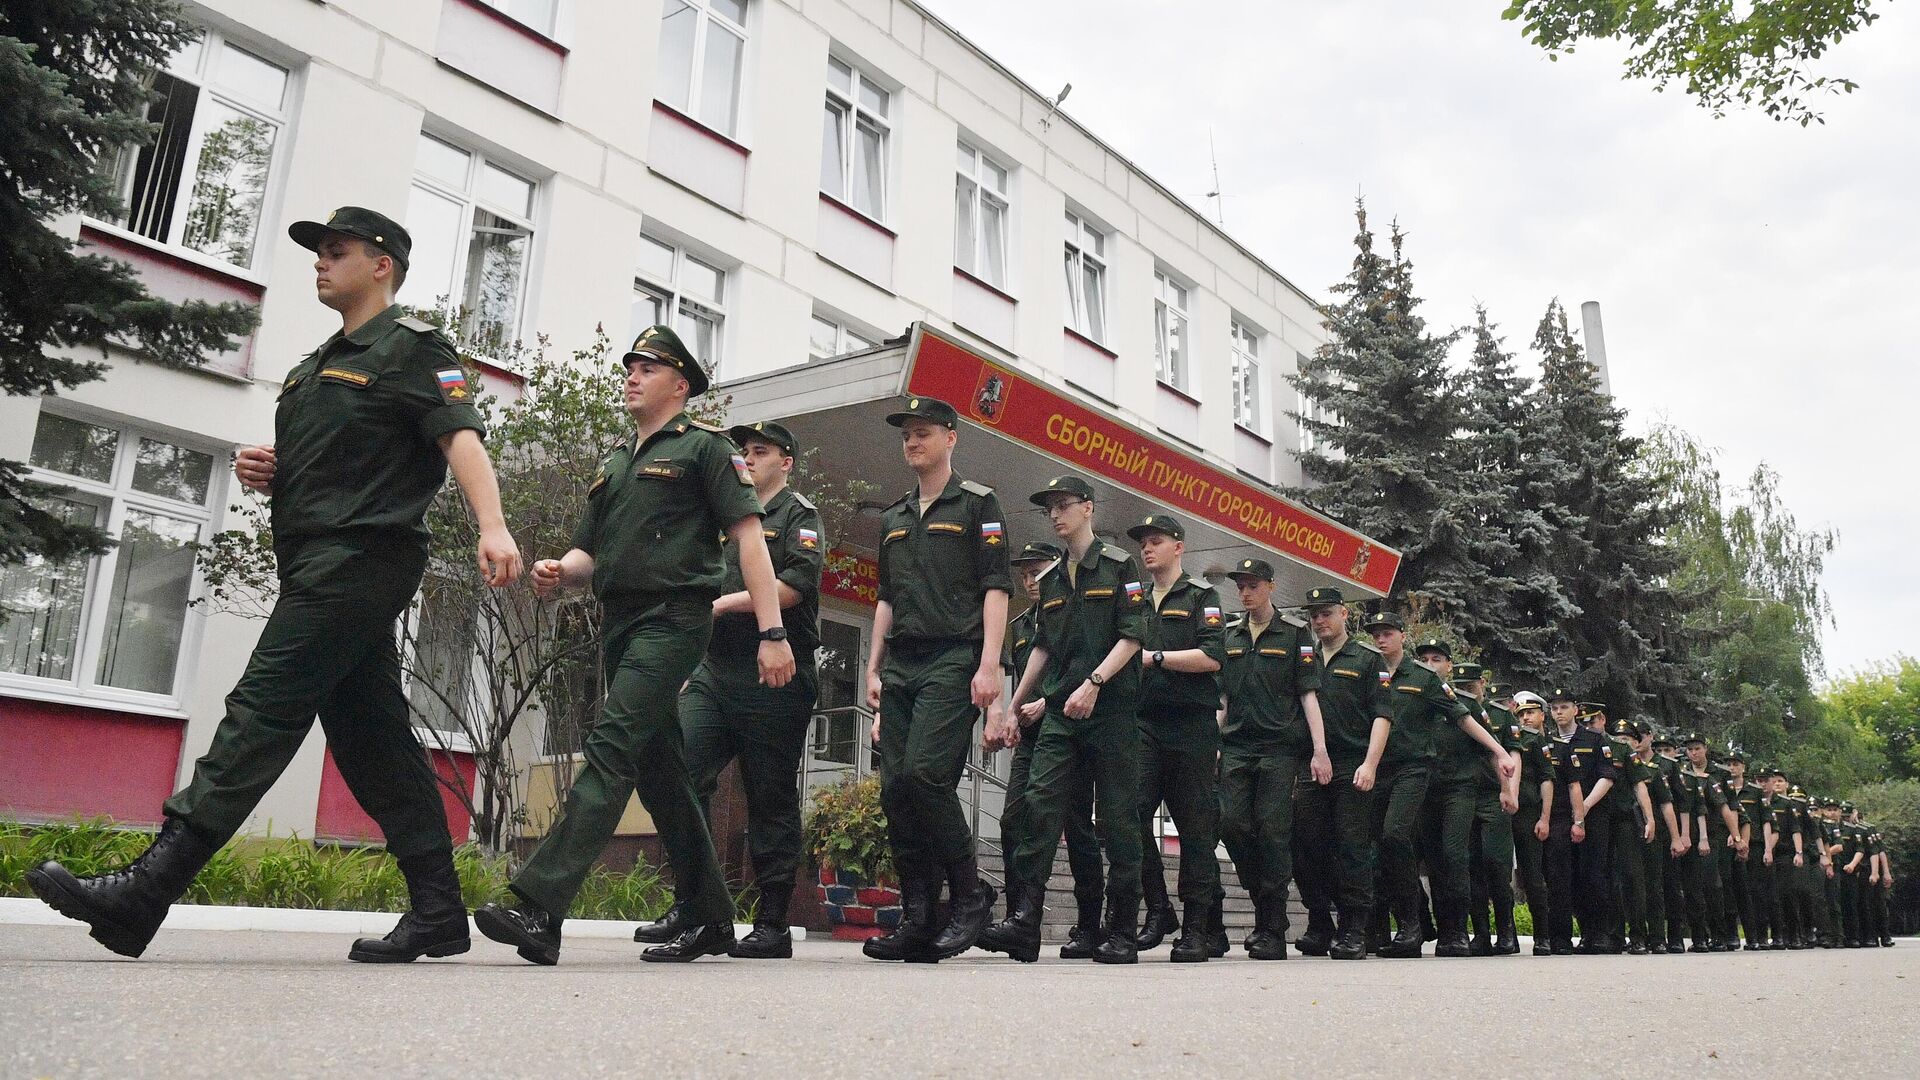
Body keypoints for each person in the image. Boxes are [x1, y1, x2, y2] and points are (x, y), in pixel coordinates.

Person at [28, 207, 523, 963]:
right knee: (372, 741)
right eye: (318, 254)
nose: (320, 264)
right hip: (316, 560)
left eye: (336, 251)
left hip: (362, 560)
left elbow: (460, 435)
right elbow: (341, 464)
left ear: (382, 264)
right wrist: (272, 472)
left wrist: (492, 524)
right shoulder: (312, 366)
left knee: (262, 709)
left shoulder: (412, 350)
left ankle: (145, 893)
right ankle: (438, 912)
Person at [474, 325, 794, 966]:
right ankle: (709, 917)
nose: (632, 373)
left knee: (612, 747)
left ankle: (540, 905)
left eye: (648, 367)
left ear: (680, 384)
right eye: (630, 365)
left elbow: (749, 539)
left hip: (673, 620)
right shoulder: (616, 462)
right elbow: (589, 551)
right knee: (664, 775)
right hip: (618, 624)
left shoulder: (704, 450)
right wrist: (560, 571)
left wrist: (772, 633)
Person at [629, 420, 823, 959]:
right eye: (744, 451)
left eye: (760, 451)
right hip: (715, 667)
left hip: (775, 667)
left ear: (785, 461)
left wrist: (721, 605)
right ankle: (697, 904)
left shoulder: (799, 516)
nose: (749, 459)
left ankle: (772, 922)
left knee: (770, 797)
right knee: (676, 772)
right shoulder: (724, 516)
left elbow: (792, 588)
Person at [859, 396, 1012, 962]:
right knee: (897, 790)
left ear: (951, 438)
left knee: (925, 775)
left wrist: (989, 664)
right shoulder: (894, 516)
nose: (912, 442)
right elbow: (885, 599)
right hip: (902, 662)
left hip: (954, 656)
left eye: (923, 433)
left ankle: (970, 895)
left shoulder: (978, 504)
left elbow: (997, 586)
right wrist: (872, 667)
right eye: (906, 436)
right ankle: (919, 917)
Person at [980, 475, 1148, 964]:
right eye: (1048, 508)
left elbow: (1133, 635)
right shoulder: (1052, 580)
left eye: (1063, 505)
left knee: (1118, 821)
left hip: (1112, 713)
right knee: (1038, 808)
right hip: (1060, 716)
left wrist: (1094, 684)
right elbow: (1043, 646)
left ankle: (1119, 930)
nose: (1055, 515)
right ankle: (1025, 923)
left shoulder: (1119, 566)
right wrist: (1014, 706)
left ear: (1088, 508)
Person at [1362, 612, 1511, 958]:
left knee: (1450, 854)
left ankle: (1454, 929)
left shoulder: (1424, 680)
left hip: (1442, 782)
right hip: (1387, 776)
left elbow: (1463, 718)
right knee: (1393, 846)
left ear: (1401, 636)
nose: (1381, 640)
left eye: (1387, 633)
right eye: (1376, 635)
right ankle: (1415, 922)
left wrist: (1499, 750)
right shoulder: (1369, 671)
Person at [987, 541, 1104, 957]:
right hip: (1031, 739)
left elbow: (1082, 667)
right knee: (1014, 821)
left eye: (1036, 570)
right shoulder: (1020, 625)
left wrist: (1048, 703)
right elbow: (1013, 674)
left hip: (1069, 732)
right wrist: (1010, 715)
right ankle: (1021, 920)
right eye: (1023, 573)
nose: (1029, 580)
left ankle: (1091, 924)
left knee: (1076, 828)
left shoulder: (1075, 615)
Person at [1212, 558, 1327, 961]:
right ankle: (1261, 895)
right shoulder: (1229, 635)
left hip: (1280, 749)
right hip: (1238, 747)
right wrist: (1213, 741)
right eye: (1241, 586)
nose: (1245, 593)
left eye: (1253, 586)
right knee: (1232, 824)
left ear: (1271, 588)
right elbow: (1222, 698)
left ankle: (1273, 925)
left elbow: (1308, 694)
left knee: (1273, 831)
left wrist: (1320, 750)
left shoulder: (1296, 633)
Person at [1127, 515, 1226, 962]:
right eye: (1143, 543)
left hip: (1191, 728)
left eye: (1156, 541)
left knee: (1195, 829)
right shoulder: (1136, 598)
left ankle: (1197, 927)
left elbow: (1212, 657)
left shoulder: (1203, 596)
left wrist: (1157, 657)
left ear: (1179, 547)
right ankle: (1159, 908)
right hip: (1143, 723)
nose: (1147, 549)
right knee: (1127, 817)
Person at [1292, 587, 1393, 961]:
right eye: (1314, 615)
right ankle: (1320, 921)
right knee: (1306, 846)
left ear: (1345, 614)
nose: (1319, 621)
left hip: (1352, 765)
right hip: (1311, 765)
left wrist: (1370, 764)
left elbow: (1383, 715)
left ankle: (1355, 927)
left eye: (1326, 613)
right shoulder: (1305, 657)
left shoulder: (1368, 659)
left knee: (1352, 847)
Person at [1412, 642, 1515, 958]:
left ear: (1449, 666)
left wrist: (1507, 789)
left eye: (1437, 659)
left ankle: (1488, 931)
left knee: (1471, 860)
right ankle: (1460, 932)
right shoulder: (1413, 699)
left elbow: (1495, 749)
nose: (1430, 664)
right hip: (1426, 790)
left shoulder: (1465, 704)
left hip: (1466, 791)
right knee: (1435, 859)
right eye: (1424, 659)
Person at [1451, 663, 1526, 956]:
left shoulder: (1500, 715)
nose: (1466, 692)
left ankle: (1506, 931)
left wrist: (1510, 791)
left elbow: (1512, 755)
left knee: (1497, 864)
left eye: (1470, 687)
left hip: (1493, 796)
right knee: (1471, 867)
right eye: (1461, 687)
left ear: (1482, 683)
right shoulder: (1452, 710)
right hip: (1464, 793)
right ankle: (1481, 932)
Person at [1539, 687, 1613, 955]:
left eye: (1564, 707)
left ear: (1576, 710)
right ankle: (1561, 938)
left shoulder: (1594, 739)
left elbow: (1606, 777)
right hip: (1559, 817)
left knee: (1592, 876)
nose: (1559, 712)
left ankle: (1597, 934)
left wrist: (1584, 808)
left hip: (1593, 816)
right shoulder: (1546, 743)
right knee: (1560, 877)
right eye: (1555, 708)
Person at [1505, 691, 1556, 956]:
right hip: (1502, 814)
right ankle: (1507, 936)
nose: (1525, 718)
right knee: (1501, 876)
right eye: (1521, 713)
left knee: (1533, 877)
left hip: (1529, 814)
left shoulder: (1534, 741)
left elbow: (1546, 780)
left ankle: (1542, 937)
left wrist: (1544, 817)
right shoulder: (1501, 734)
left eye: (1529, 713)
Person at [1723, 753, 1773, 950]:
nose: (1732, 768)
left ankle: (1757, 936)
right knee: (1728, 891)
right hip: (1726, 846)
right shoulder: (1722, 788)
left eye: (1735, 764)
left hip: (1753, 846)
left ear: (1743, 767)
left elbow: (1766, 821)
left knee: (1753, 893)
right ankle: (1731, 935)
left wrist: (1768, 849)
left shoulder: (1755, 792)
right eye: (1728, 764)